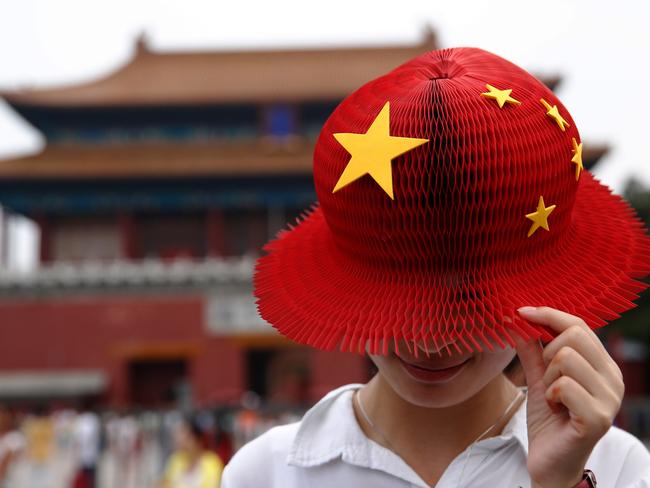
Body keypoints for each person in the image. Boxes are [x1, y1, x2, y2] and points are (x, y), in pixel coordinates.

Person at [221, 47, 650, 487]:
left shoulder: (613, 465)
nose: (429, 340)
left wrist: (563, 481)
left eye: (470, 299)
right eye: (401, 295)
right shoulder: (268, 472)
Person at [160, 417, 223, 488]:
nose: (181, 441)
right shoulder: (176, 460)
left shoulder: (212, 461)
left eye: (186, 437)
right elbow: (165, 483)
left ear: (197, 438)